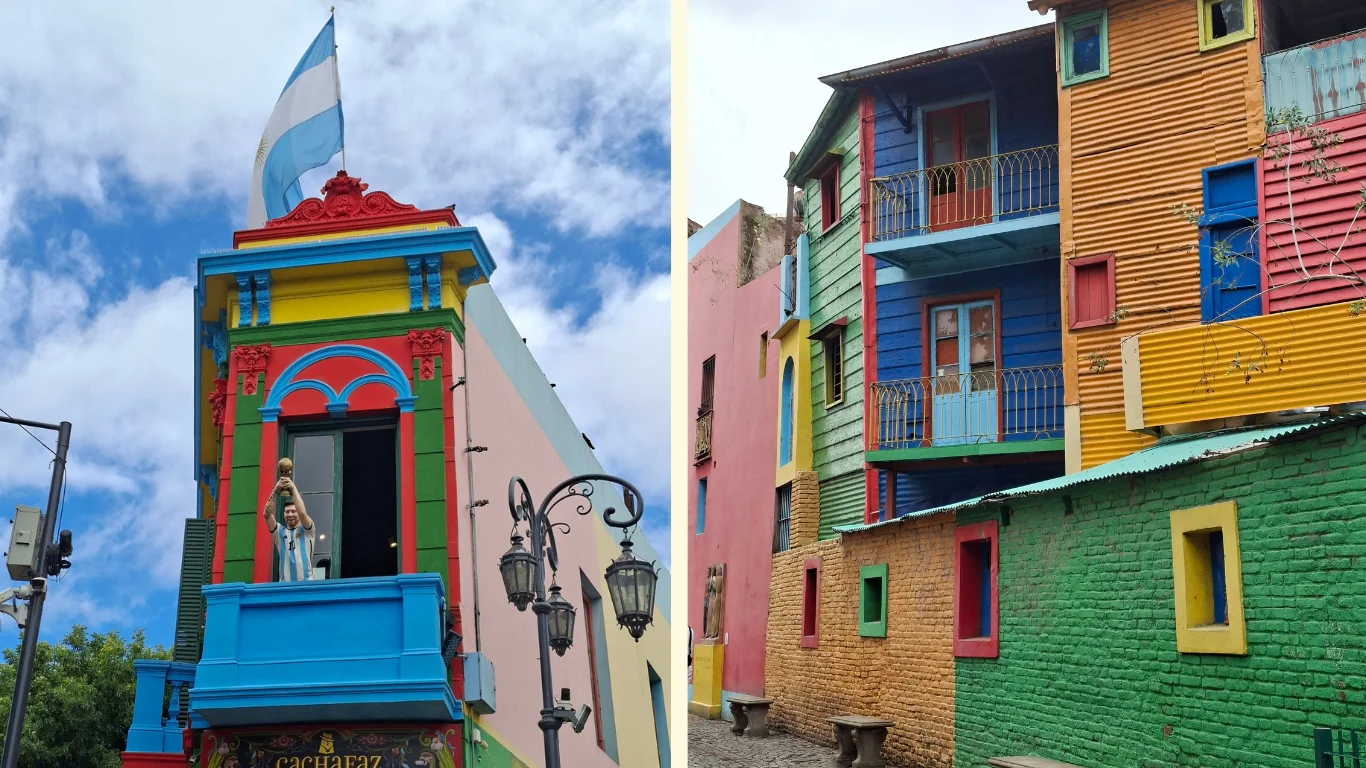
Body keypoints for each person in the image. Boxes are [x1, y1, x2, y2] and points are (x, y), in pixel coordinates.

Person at [263, 476, 314, 582]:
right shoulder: (279, 532)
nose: (290, 514)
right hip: (285, 586)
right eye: (287, 512)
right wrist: (276, 489)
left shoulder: (307, 530)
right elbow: (267, 514)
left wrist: (293, 489)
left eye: (293, 511)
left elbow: (302, 513)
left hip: (306, 584)